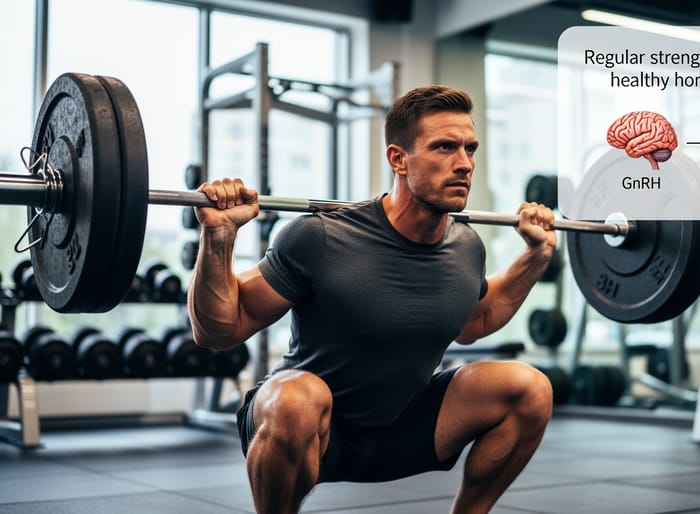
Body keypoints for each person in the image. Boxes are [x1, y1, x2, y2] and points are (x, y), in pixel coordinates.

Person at [188, 85, 556, 514]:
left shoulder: (466, 247)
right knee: (294, 399)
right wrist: (218, 238)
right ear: (398, 158)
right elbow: (219, 329)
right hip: (313, 431)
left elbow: (476, 319)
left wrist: (537, 255)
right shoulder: (321, 237)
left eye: (469, 149)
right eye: (444, 148)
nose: (463, 164)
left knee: (529, 387)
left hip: (405, 427)